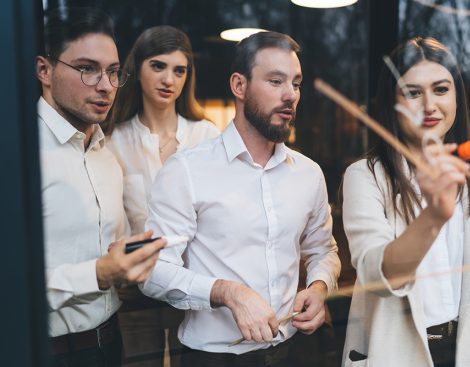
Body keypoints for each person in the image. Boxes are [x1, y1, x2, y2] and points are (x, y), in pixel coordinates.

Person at [140, 31, 341, 367]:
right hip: (213, 358)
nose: (290, 95)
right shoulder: (187, 170)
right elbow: (153, 271)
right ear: (239, 86)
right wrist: (227, 292)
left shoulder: (308, 173)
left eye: (296, 83)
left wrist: (319, 287)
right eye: (276, 81)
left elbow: (324, 249)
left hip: (294, 352)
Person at [341, 36, 470, 367]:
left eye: (441, 89)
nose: (430, 105)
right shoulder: (364, 177)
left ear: (456, 95)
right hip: (393, 352)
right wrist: (432, 216)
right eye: (412, 93)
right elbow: (376, 276)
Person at [36, 7, 165, 367]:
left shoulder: (106, 157)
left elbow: (109, 252)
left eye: (111, 71)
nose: (106, 85)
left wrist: (129, 257)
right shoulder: (20, 153)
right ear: (45, 70)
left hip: (110, 342)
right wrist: (98, 273)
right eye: (87, 69)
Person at [104, 26, 220, 366]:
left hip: (195, 288)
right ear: (136, 70)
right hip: (134, 293)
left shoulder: (207, 136)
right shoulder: (113, 141)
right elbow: (114, 225)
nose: (169, 78)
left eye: (179, 70)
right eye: (158, 66)